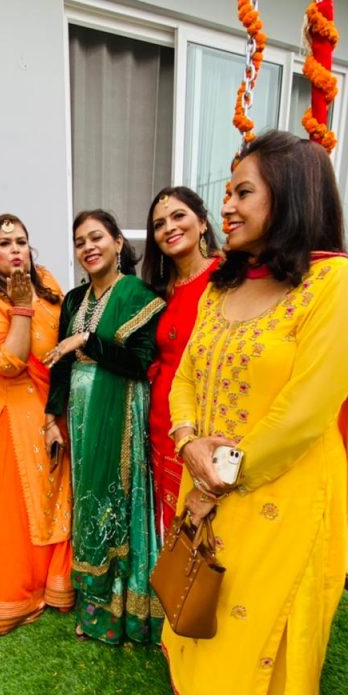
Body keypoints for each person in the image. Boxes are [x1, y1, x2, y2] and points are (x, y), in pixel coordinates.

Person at [164, 130, 348, 695]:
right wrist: (190, 443)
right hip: (208, 485)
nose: (225, 205)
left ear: (291, 195)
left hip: (279, 495)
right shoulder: (227, 283)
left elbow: (310, 409)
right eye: (226, 191)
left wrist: (222, 472)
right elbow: (188, 374)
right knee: (205, 611)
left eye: (241, 191)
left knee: (262, 632)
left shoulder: (337, 283)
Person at [45, 210, 165, 645]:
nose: (88, 247)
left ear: (118, 243)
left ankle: (127, 614)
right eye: (79, 242)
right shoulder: (74, 300)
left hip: (121, 413)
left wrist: (88, 343)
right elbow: (59, 366)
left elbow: (139, 363)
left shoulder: (136, 294)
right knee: (89, 504)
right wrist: (50, 419)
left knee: (117, 503)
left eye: (97, 237)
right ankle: (95, 610)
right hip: (79, 416)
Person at [0, 215, 74, 635]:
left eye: (21, 241)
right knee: (17, 494)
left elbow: (66, 330)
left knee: (56, 485)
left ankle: (55, 582)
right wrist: (20, 309)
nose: (15, 249)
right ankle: (6, 594)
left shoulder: (46, 280)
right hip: (13, 403)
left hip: (52, 399)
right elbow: (7, 363)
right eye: (5, 243)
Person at [142, 187, 220, 536]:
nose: (169, 228)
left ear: (202, 222)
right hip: (160, 419)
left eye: (178, 216)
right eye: (159, 224)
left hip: (204, 420)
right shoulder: (160, 290)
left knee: (208, 522)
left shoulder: (226, 278)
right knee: (169, 523)